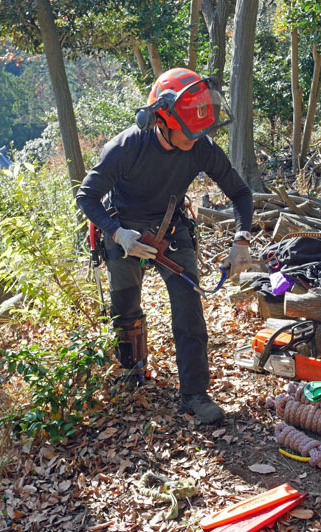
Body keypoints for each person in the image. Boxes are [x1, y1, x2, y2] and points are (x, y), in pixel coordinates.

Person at [76, 67, 253, 424]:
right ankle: (131, 373)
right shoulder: (127, 147)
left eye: (199, 131)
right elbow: (87, 197)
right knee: (125, 309)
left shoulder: (200, 147)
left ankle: (194, 395)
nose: (195, 139)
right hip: (124, 228)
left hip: (171, 229)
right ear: (161, 118)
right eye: (187, 132)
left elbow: (240, 192)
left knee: (189, 311)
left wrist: (241, 240)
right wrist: (117, 233)